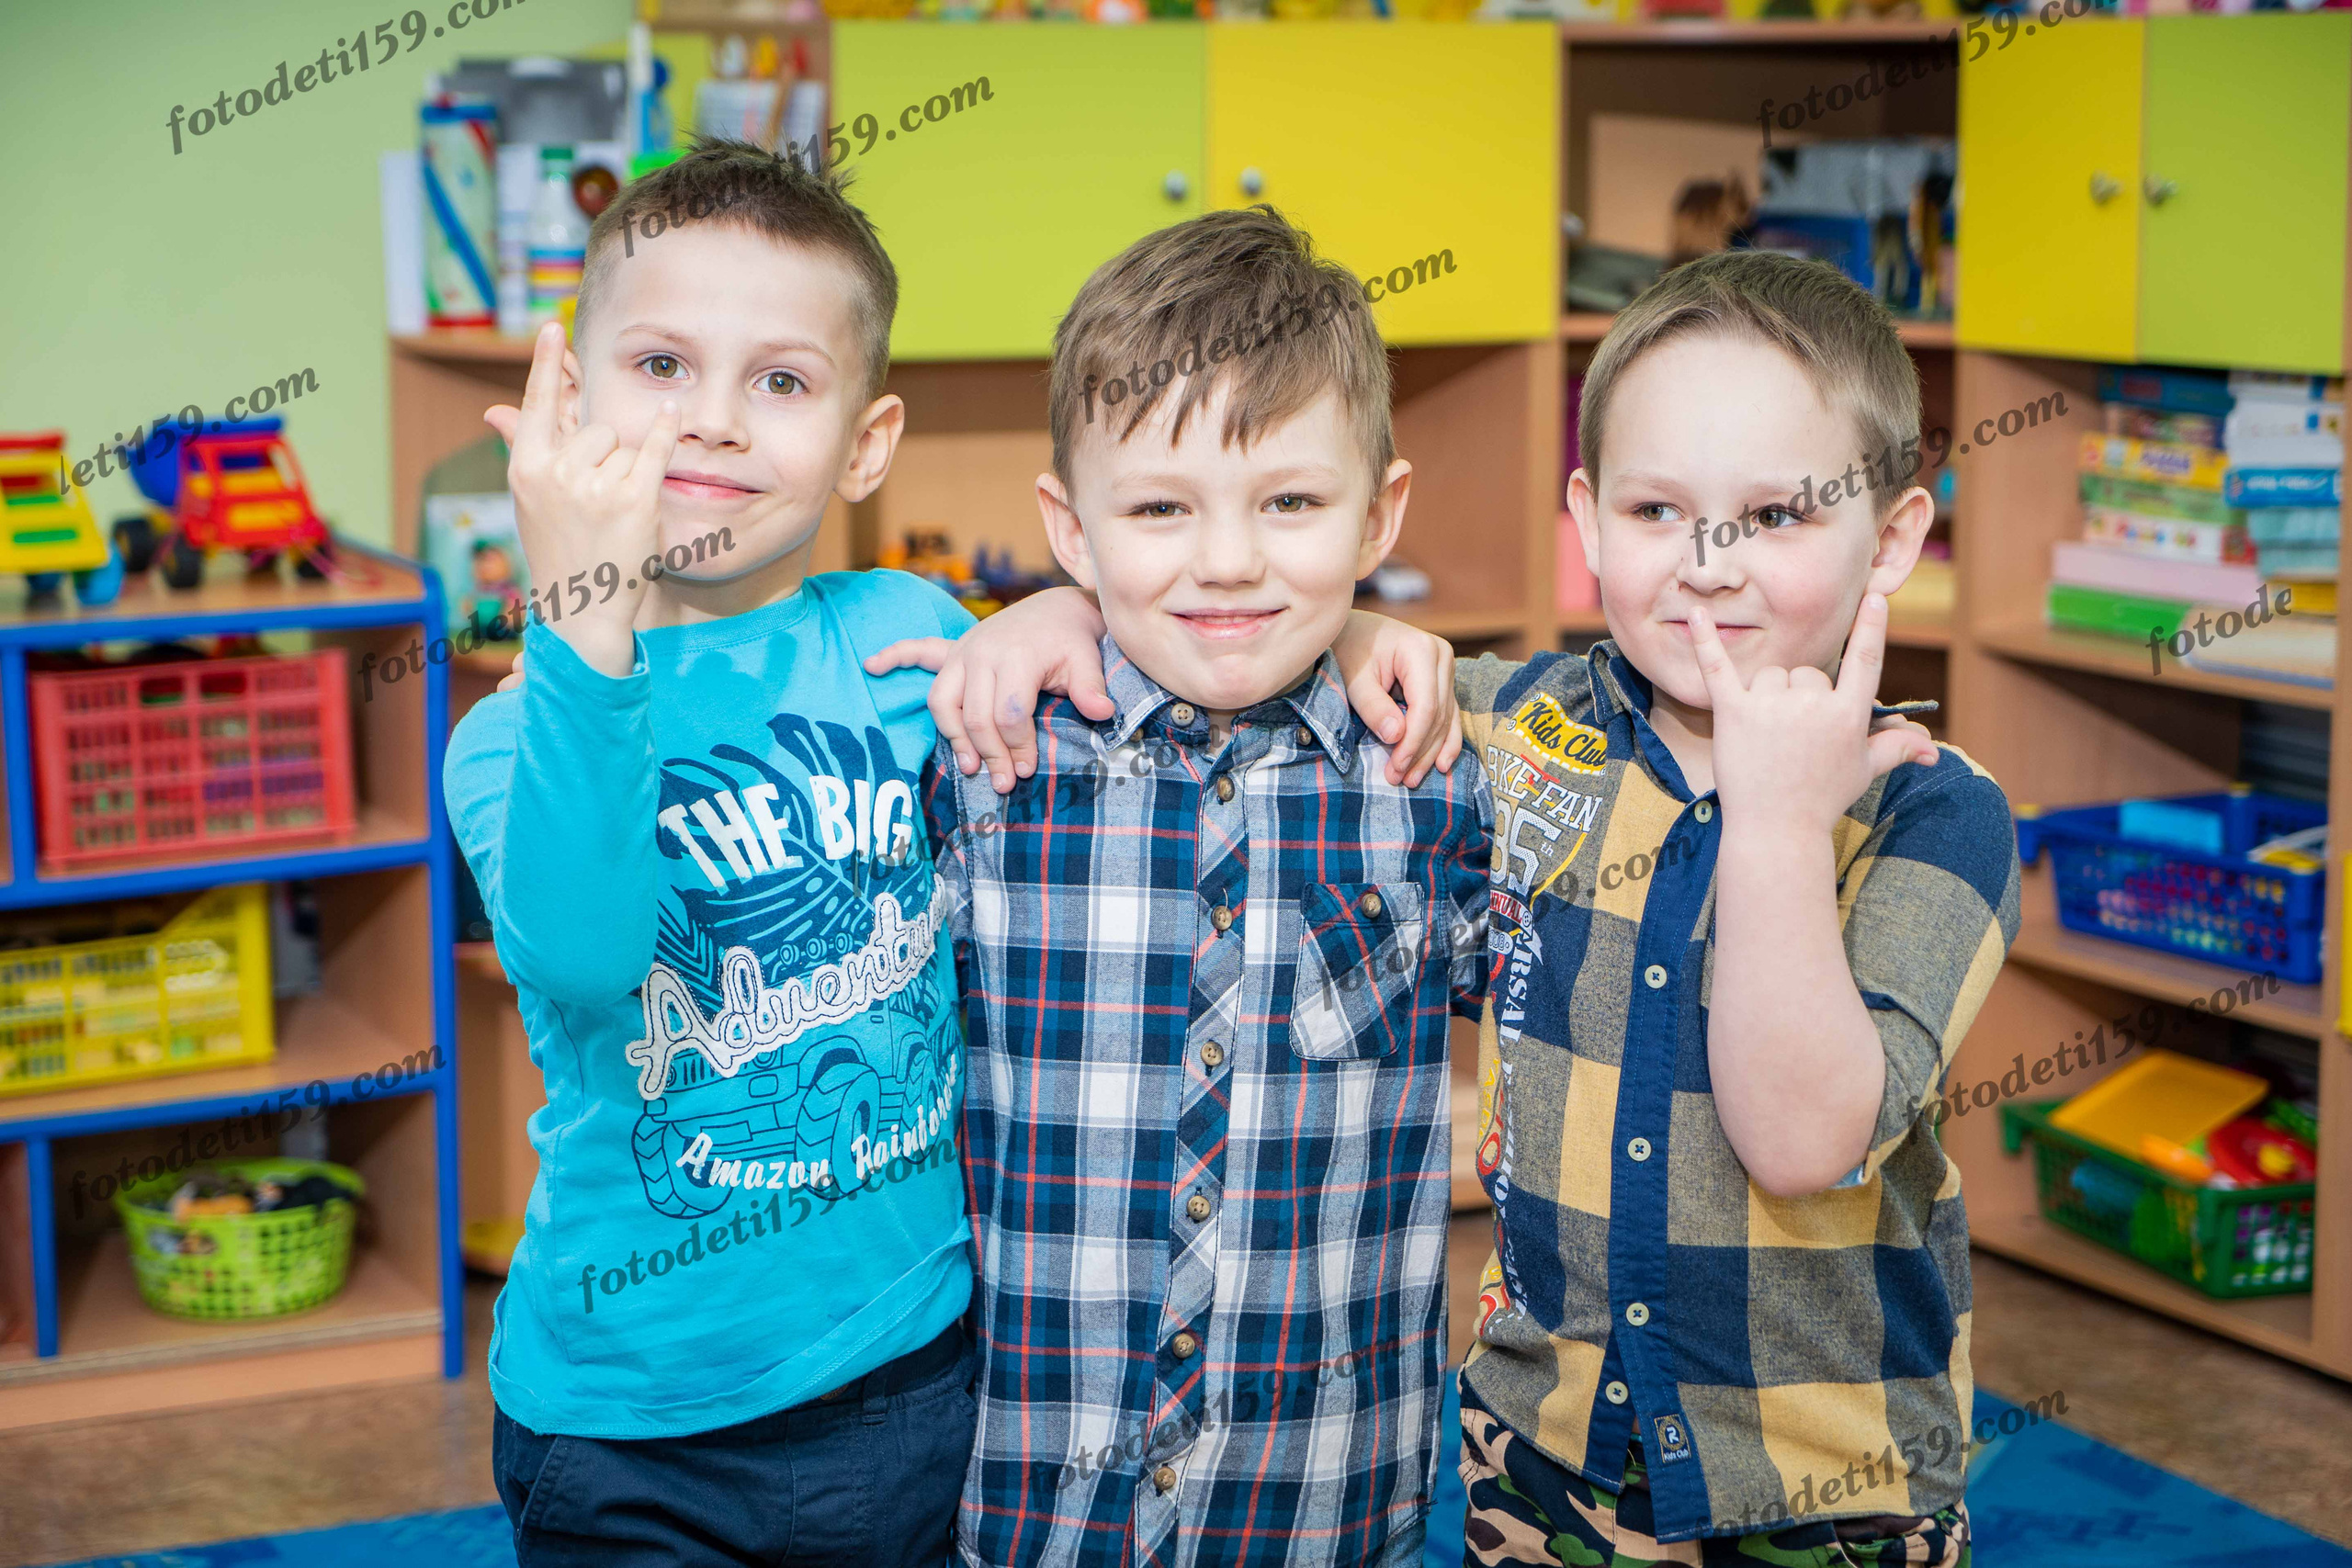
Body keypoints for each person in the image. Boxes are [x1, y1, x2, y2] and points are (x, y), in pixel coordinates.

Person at [917, 248, 2015, 1566]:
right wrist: (1067, 611)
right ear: (1590, 518)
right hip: (1536, 1461)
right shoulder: (1500, 739)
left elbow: (1803, 1137)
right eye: (1660, 511)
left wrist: (1777, 826)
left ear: (1894, 535)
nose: (1710, 566)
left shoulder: (1931, 811)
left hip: (1829, 1494)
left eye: (1775, 517)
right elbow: (1285, 641)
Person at [908, 206, 1493, 1568]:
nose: (1227, 561)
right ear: (1068, 526)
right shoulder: (983, 765)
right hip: (1028, 1500)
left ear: (1379, 513)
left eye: (1291, 502)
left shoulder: (1437, 777)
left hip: (1331, 1500)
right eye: (1161, 509)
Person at [447, 137, 982, 1568]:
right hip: (632, 1428)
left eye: (784, 382)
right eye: (664, 366)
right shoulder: (513, 730)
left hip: (919, 1378)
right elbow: (580, 952)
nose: (718, 424)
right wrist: (577, 608)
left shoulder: (902, 635)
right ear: (568, 397)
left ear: (865, 444)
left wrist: (1057, 624)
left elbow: (1114, 709)